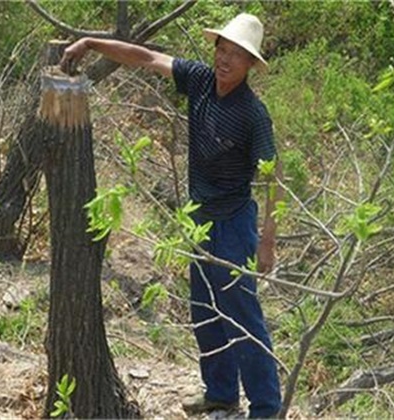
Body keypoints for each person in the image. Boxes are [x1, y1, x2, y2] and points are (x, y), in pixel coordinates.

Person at [61, 12, 283, 419]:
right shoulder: (198, 80)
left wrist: (267, 240)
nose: (226, 59)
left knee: (243, 317)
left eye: (237, 54)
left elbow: (273, 178)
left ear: (251, 64)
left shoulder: (253, 114)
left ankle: (267, 409)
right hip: (197, 221)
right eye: (222, 49)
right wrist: (90, 43)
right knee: (204, 311)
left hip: (233, 224)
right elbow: (145, 58)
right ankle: (220, 392)